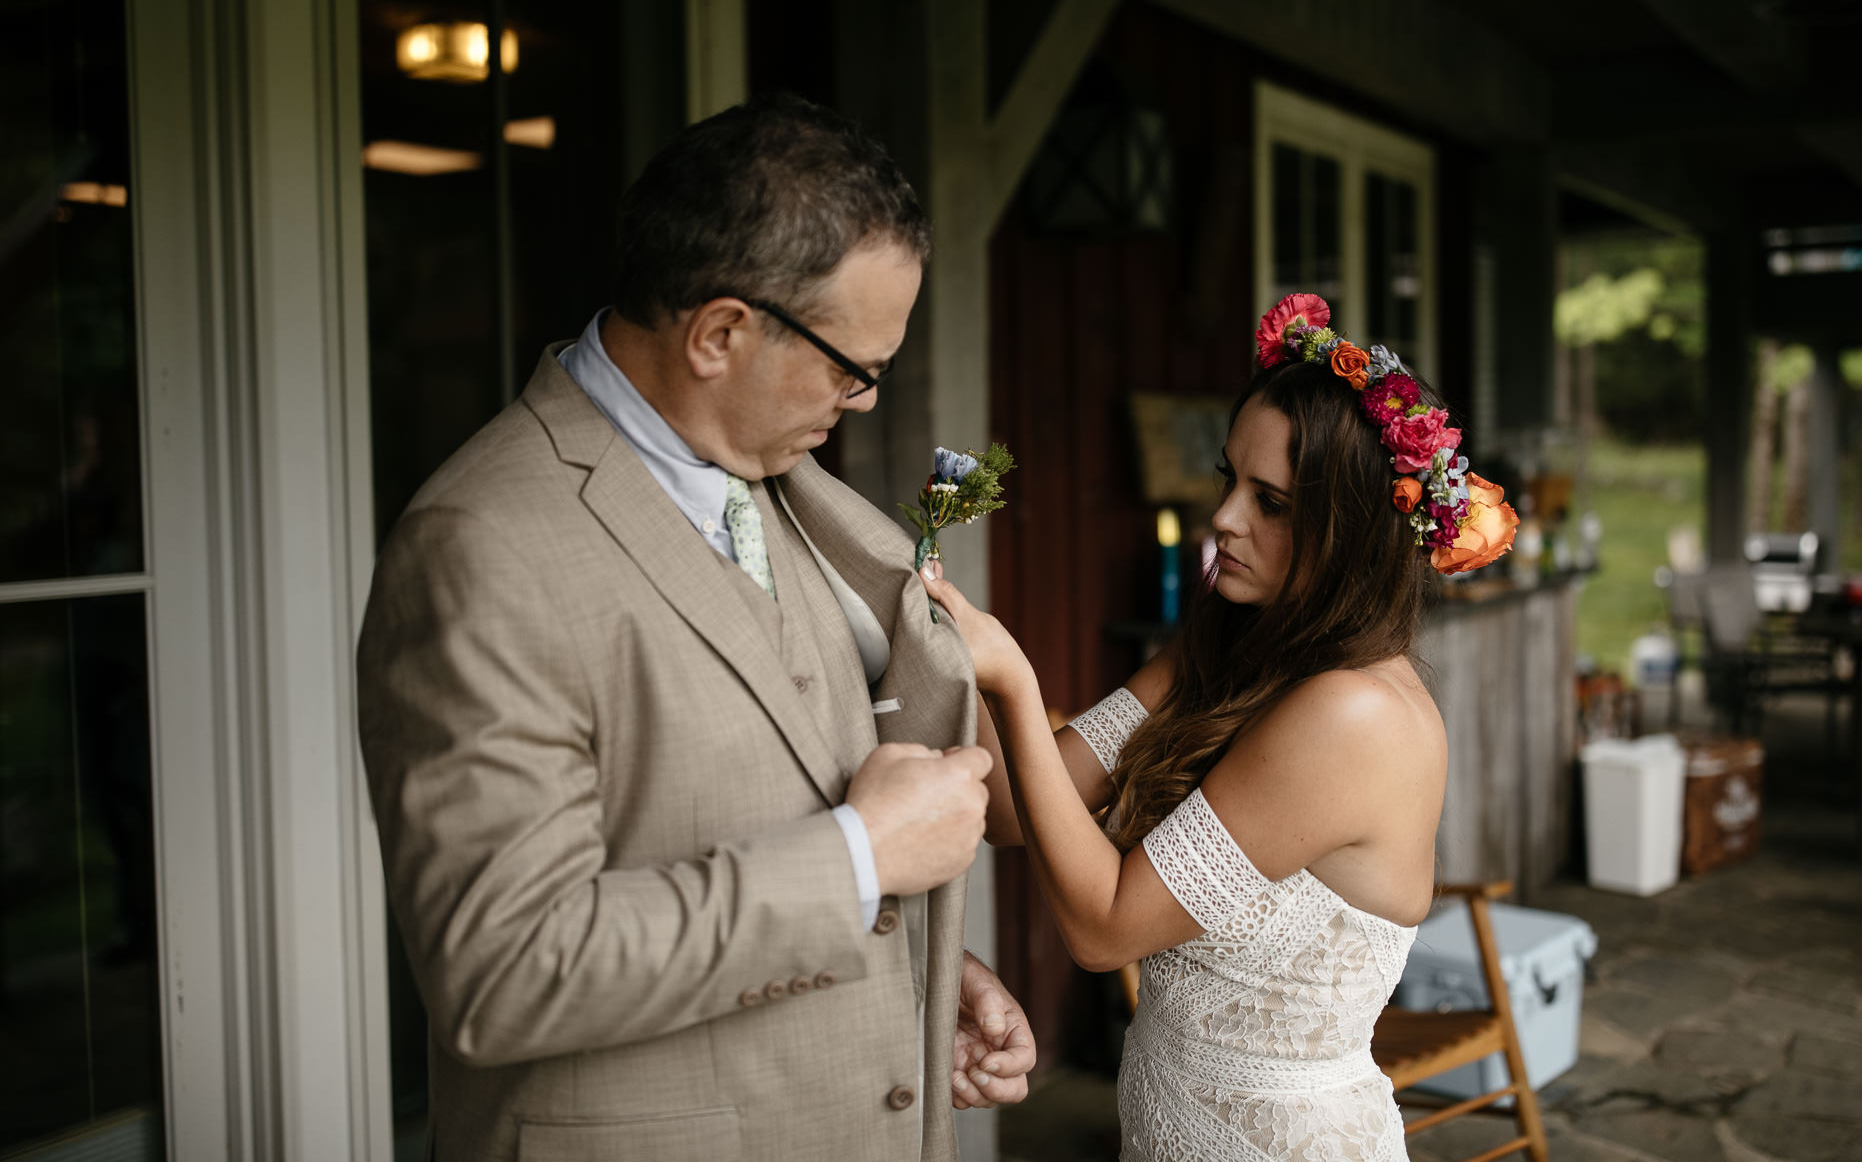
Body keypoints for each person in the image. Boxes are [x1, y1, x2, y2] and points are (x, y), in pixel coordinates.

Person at [357, 93, 1033, 1162]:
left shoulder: (786, 490)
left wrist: (896, 980)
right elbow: (504, 970)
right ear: (720, 333)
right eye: (853, 368)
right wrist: (859, 861)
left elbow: (766, 796)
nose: (865, 400)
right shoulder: (483, 546)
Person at [922, 294, 1518, 1161]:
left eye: (1270, 501)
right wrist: (957, 645)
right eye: (1228, 479)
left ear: (1350, 531)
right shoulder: (1224, 653)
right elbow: (1012, 809)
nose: (1225, 518)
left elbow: (1103, 927)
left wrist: (1013, 680)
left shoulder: (1354, 716)